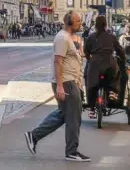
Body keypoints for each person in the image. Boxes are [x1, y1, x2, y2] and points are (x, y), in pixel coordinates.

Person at [24, 11, 90, 161]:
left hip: (71, 81)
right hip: (66, 82)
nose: (80, 24)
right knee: (74, 117)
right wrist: (60, 86)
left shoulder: (69, 38)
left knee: (63, 114)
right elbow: (58, 62)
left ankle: (34, 136)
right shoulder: (62, 38)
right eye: (78, 21)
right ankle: (72, 151)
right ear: (70, 23)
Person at [83, 15, 125, 118]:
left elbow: (85, 50)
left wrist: (89, 58)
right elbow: (119, 50)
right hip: (109, 63)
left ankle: (92, 109)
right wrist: (123, 59)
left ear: (95, 25)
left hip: (95, 64)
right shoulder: (111, 36)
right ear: (105, 24)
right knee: (116, 74)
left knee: (90, 83)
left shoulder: (91, 37)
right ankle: (112, 91)